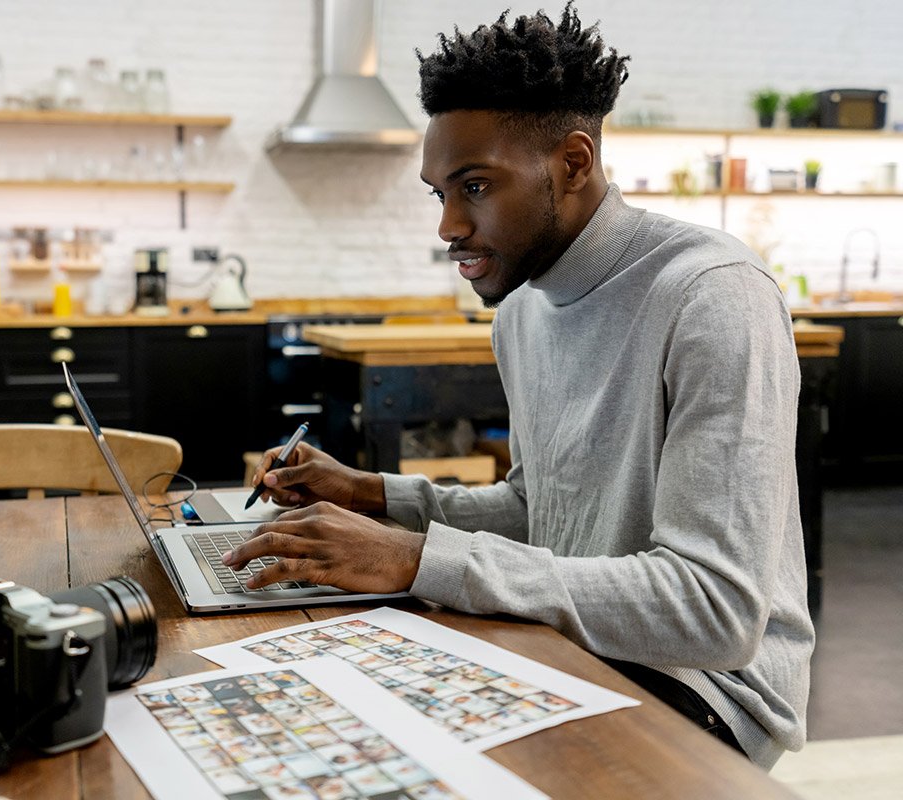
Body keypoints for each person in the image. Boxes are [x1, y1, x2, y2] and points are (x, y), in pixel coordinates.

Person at [223, 2, 812, 768]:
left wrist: (413, 557)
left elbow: (714, 611)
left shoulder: (713, 296)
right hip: (576, 646)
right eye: (440, 193)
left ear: (572, 162)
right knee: (309, 722)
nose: (448, 227)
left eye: (475, 186)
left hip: (706, 687)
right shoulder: (522, 314)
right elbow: (542, 513)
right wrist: (372, 495)